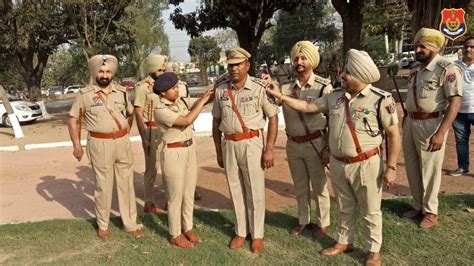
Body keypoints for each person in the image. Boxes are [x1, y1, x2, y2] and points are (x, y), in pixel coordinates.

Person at [266, 49, 401, 266]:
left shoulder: (380, 100)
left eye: (347, 72)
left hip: (366, 163)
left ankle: (373, 250)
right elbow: (309, 106)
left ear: (360, 75)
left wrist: (392, 167)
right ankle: (344, 242)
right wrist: (281, 96)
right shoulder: (335, 96)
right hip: (339, 164)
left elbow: (394, 134)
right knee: (345, 206)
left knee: (370, 210)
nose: (342, 75)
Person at [212, 47, 280, 253]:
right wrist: (218, 150)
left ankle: (257, 234)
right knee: (235, 189)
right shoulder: (221, 89)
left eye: (238, 64)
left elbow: (273, 118)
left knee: (255, 190)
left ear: (247, 66)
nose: (233, 69)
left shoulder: (260, 87)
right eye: (230, 65)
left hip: (252, 144)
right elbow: (216, 121)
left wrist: (269, 149)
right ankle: (241, 231)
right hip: (229, 144)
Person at [68, 54, 143, 239]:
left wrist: (124, 132)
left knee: (126, 184)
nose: (104, 74)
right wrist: (77, 146)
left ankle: (130, 224)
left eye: (108, 71)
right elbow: (73, 120)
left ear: (112, 74)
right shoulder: (85, 95)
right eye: (101, 71)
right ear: (95, 73)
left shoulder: (122, 92)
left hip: (122, 143)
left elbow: (131, 114)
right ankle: (103, 224)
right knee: (103, 185)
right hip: (99, 143)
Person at [262, 41, 332, 238]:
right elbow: (275, 100)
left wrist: (328, 148)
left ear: (312, 61)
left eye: (303, 58)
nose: (299, 62)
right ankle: (304, 221)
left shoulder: (324, 87)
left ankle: (323, 223)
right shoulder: (286, 88)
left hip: (315, 143)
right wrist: (271, 86)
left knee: (319, 186)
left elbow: (331, 119)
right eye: (296, 58)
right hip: (293, 144)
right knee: (300, 186)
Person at [402, 28, 462, 229]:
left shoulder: (447, 68)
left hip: (431, 124)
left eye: (422, 46)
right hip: (411, 123)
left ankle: (431, 211)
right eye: (416, 46)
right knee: (412, 167)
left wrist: (441, 132)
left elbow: (455, 102)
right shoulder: (415, 69)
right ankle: (418, 205)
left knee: (429, 169)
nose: (417, 50)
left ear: (435, 48)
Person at [153, 72, 214, 248]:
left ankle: (187, 228)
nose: (177, 90)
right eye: (172, 88)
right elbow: (186, 120)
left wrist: (212, 90)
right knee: (175, 196)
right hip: (173, 153)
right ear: (163, 92)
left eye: (176, 86)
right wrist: (202, 101)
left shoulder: (180, 101)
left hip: (188, 149)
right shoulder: (160, 110)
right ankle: (175, 233)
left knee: (188, 194)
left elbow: (199, 103)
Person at [134, 54, 167, 215]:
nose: (163, 71)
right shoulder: (143, 87)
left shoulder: (166, 84)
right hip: (151, 130)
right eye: (160, 69)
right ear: (153, 68)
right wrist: (143, 137)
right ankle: (149, 202)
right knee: (152, 169)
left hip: (165, 130)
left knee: (168, 166)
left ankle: (169, 200)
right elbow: (138, 113)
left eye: (164, 69)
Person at [449, 36, 474, 176]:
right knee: (461, 140)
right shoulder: (455, 66)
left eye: (472, 47)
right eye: (466, 46)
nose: (468, 49)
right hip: (459, 111)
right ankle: (463, 166)